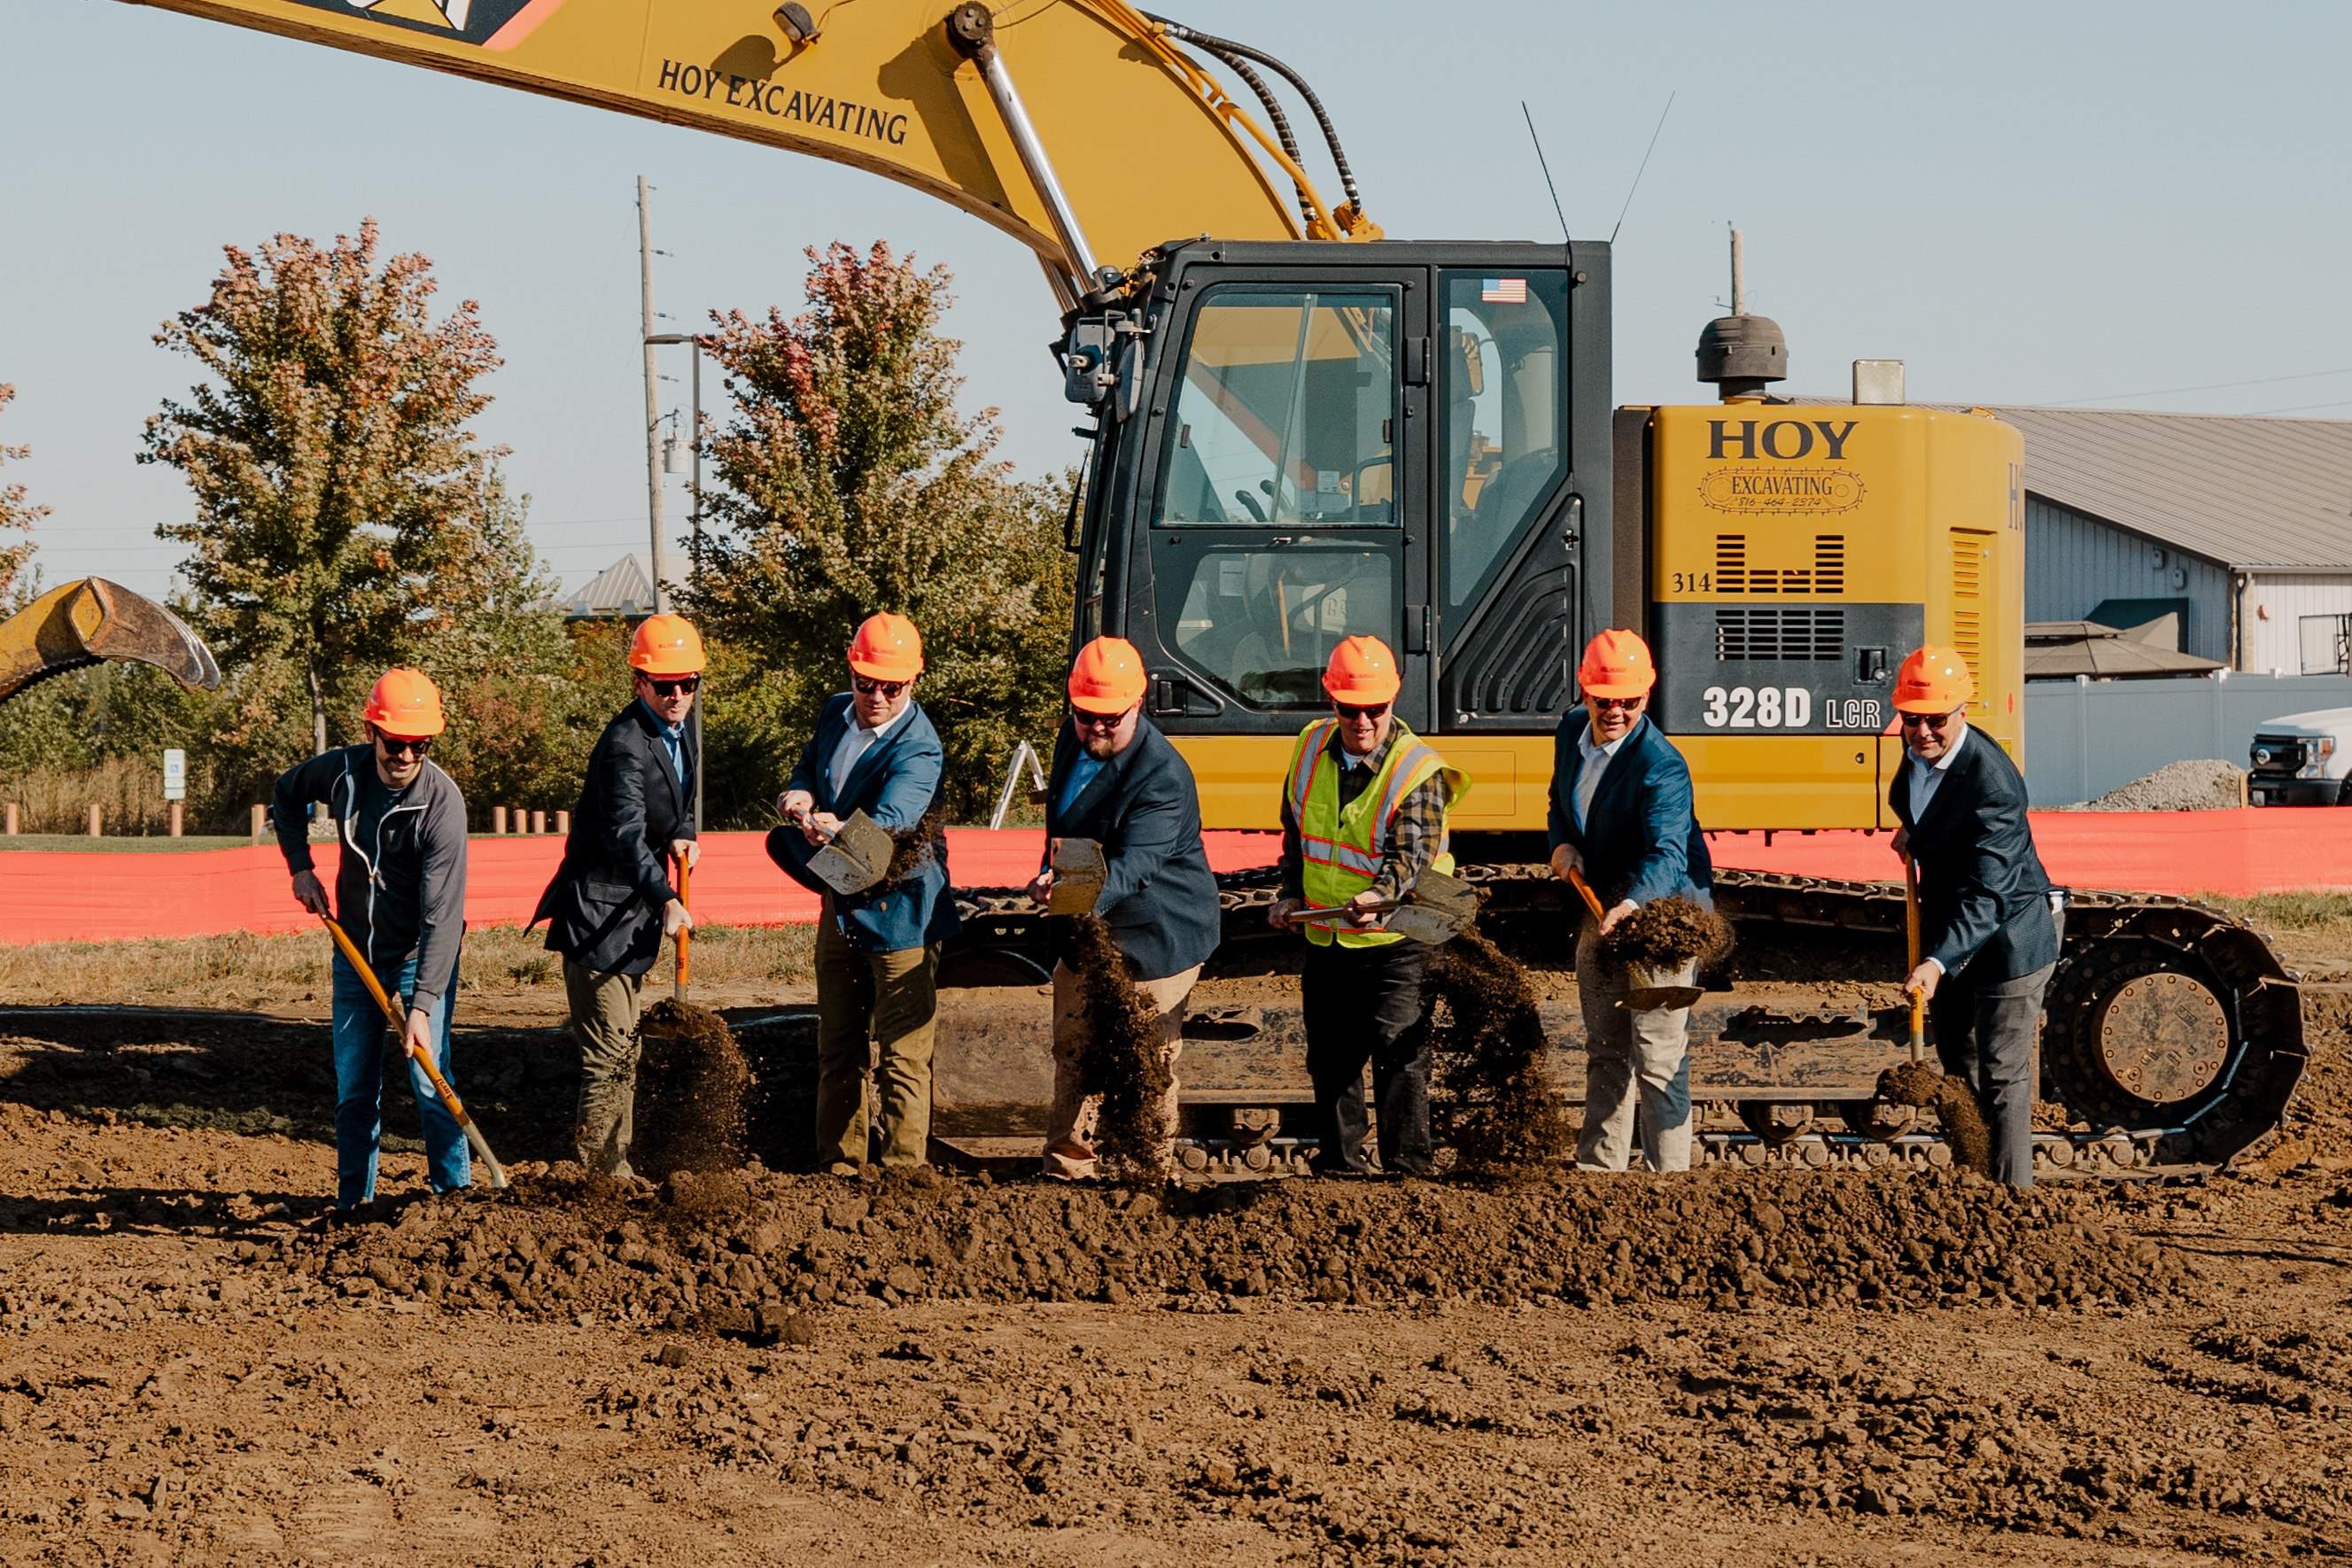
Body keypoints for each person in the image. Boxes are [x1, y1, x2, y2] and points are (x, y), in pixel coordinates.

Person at [1265, 637, 1465, 1176]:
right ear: (1331, 703)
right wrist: (1289, 894)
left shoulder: (1416, 770)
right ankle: (1341, 1169)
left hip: (1395, 940)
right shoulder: (1310, 747)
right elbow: (1298, 836)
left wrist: (1381, 896)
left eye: (1374, 710)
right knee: (1331, 1061)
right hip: (1328, 937)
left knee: (1400, 1055)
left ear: (1392, 702)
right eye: (1350, 710)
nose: (1362, 721)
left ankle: (1409, 1172)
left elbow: (1413, 858)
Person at [769, 613, 959, 1175]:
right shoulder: (836, 711)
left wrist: (834, 825)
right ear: (851, 672)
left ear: (913, 682)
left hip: (902, 912)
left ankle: (901, 1175)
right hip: (843, 899)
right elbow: (810, 763)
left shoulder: (920, 748)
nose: (875, 696)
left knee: (902, 1055)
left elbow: (895, 818)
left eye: (891, 687)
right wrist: (799, 792)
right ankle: (840, 1167)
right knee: (838, 1048)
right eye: (866, 682)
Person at [273, 668, 470, 1209]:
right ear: (372, 733)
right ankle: (351, 1206)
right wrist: (300, 866)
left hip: (417, 958)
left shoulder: (442, 805)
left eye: (419, 744)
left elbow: (443, 919)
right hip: (355, 954)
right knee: (355, 1089)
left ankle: (455, 1200)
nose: (406, 755)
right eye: (396, 743)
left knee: (431, 1079)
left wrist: (423, 1004)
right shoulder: (342, 774)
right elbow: (286, 795)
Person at [1026, 635, 1220, 1180]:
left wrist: (1067, 891)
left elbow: (1137, 866)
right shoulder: (1075, 735)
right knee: (1074, 1047)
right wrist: (1054, 878)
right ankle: (1068, 1167)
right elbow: (1067, 825)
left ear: (1138, 704)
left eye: (1112, 718)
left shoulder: (1162, 776)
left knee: (1147, 1063)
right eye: (1087, 716)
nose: (1099, 728)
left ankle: (1147, 1175)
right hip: (1086, 924)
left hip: (1158, 931)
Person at [530, 613, 703, 1178]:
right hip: (598, 915)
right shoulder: (625, 745)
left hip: (631, 920)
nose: (678, 696)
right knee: (610, 1054)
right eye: (664, 685)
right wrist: (666, 898)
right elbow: (625, 835)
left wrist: (686, 835)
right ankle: (605, 1173)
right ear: (639, 684)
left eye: (688, 683)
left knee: (627, 1047)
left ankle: (613, 1162)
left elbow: (676, 804)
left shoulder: (679, 731)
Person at [1890, 645, 2062, 1189]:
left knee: (2002, 1073)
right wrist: (1919, 834)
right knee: (1957, 1068)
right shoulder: (1917, 750)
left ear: (1963, 711)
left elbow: (1989, 896)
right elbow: (1931, 809)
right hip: (1953, 932)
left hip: (2010, 942)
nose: (1922, 732)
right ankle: (1973, 1185)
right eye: (1912, 719)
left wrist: (1938, 963)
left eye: (1936, 720)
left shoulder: (1994, 786)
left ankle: (2013, 1204)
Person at [1548, 630, 1714, 1174]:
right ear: (1585, 692)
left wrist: (1636, 903)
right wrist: (1562, 842)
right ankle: (1601, 1175)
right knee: (1606, 1049)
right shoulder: (1572, 729)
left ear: (1646, 696)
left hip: (1662, 916)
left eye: (1629, 701)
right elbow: (1559, 797)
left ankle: (1669, 1182)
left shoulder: (1661, 766)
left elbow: (1669, 853)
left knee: (1660, 1057)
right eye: (1603, 699)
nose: (1614, 711)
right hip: (1603, 910)